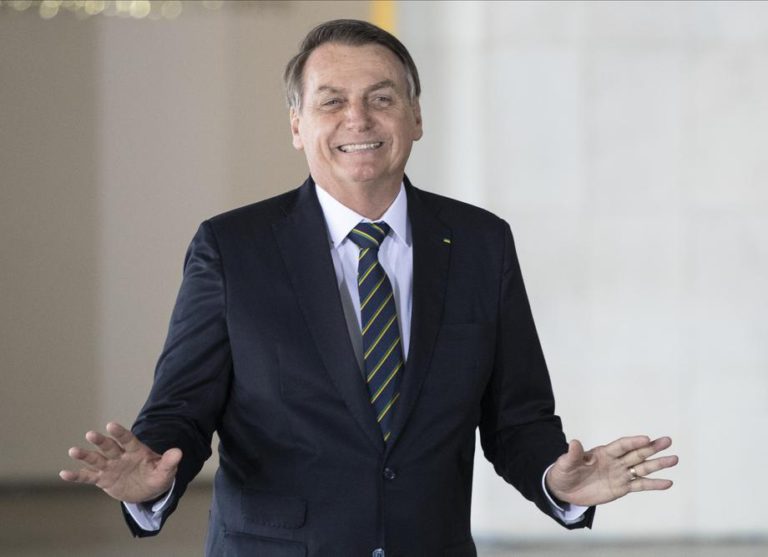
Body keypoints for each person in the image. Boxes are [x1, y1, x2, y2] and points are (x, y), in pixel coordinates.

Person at [60, 19, 678, 557]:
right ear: (297, 124)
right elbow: (181, 410)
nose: (357, 119)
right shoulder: (232, 248)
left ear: (416, 117)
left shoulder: (481, 243)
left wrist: (557, 481)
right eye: (331, 101)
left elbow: (517, 417)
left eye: (381, 98)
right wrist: (151, 479)